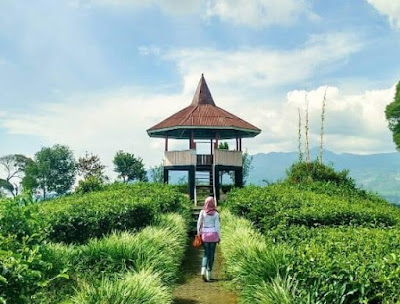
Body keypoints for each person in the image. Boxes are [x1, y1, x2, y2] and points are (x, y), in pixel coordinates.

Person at [197, 196, 220, 282]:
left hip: (205, 235)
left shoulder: (202, 212)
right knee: (212, 254)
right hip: (213, 235)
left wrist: (198, 233)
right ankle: (209, 274)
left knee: (206, 254)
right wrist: (219, 237)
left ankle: (203, 270)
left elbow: (199, 223)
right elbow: (217, 226)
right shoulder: (216, 213)